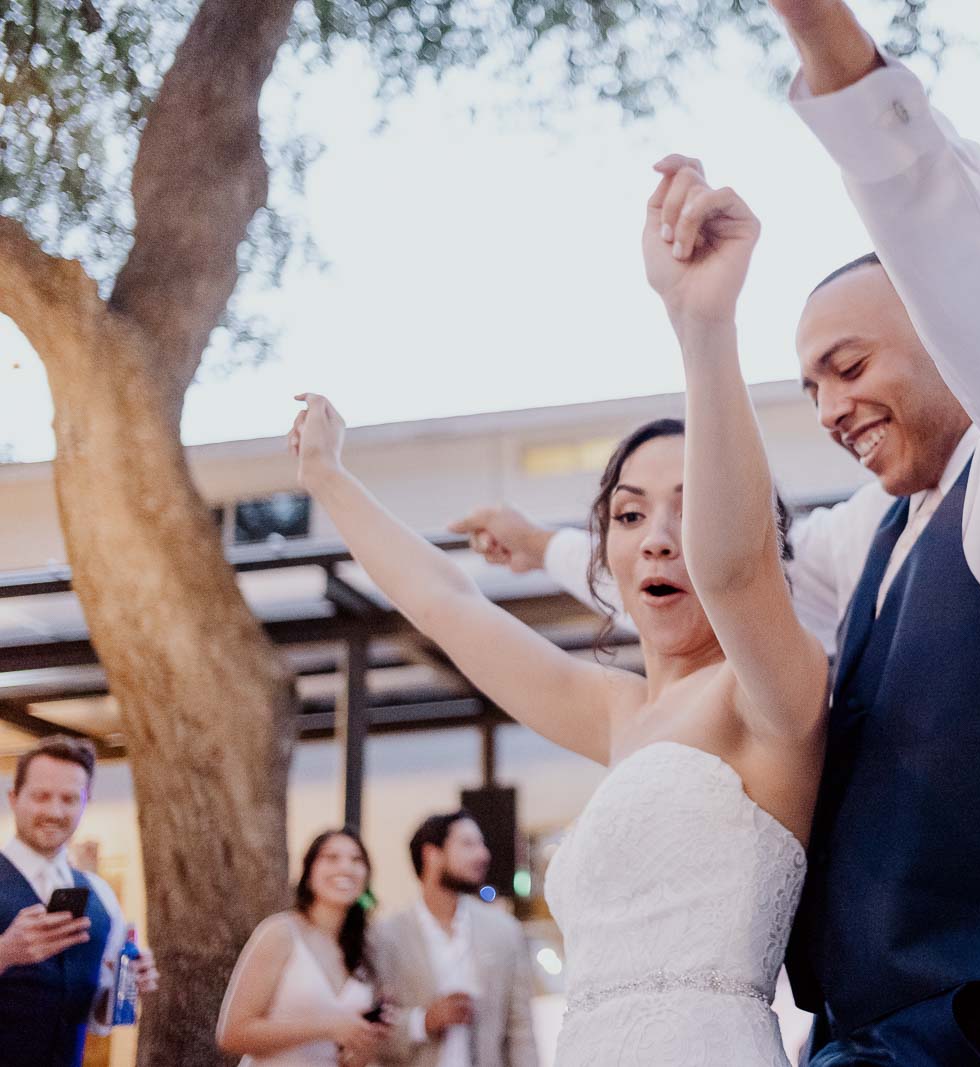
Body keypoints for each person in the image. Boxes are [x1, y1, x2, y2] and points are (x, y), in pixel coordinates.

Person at [457, 1, 980, 1061]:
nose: (830, 406)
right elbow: (718, 573)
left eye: (849, 366)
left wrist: (825, 43)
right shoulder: (872, 540)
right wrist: (552, 548)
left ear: (944, 338)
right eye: (809, 386)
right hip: (849, 1036)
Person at [287, 146, 828, 1066]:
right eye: (629, 513)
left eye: (690, 505)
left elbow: (735, 574)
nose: (659, 536)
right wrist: (329, 483)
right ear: (607, 554)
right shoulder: (617, 711)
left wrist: (702, 324)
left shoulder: (770, 692)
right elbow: (452, 604)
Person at [0, 735, 159, 1067]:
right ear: (14, 798)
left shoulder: (100, 896)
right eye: (42, 797)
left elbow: (98, 1015)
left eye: (70, 799)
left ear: (86, 802)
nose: (55, 812)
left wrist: (127, 984)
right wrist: (5, 952)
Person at [369, 811, 538, 1067]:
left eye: (482, 845)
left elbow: (521, 1029)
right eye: (468, 844)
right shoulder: (385, 937)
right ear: (431, 854)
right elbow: (373, 1030)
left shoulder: (503, 931)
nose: (483, 855)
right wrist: (425, 1021)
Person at [216, 828, 390, 1067]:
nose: (346, 867)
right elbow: (232, 1035)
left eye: (356, 860)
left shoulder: (366, 950)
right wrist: (327, 1026)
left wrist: (363, 1047)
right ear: (309, 873)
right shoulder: (280, 933)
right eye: (331, 858)